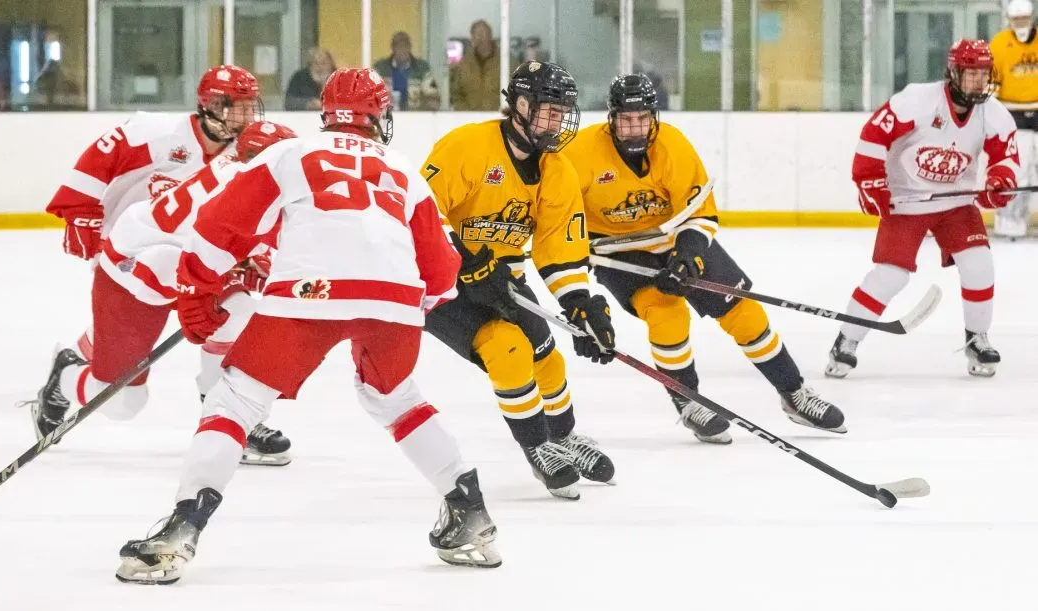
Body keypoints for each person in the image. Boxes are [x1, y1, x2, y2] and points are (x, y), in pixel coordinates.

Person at [115, 68, 500, 585]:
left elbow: (219, 225)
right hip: (395, 297)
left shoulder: (289, 152)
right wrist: (403, 305)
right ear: (379, 118)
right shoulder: (402, 167)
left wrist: (195, 286)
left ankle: (182, 528)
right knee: (397, 398)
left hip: (307, 293)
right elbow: (442, 271)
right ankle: (470, 512)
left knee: (236, 401)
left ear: (327, 114)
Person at [564, 74, 846, 444]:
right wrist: (572, 254)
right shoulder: (579, 154)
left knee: (744, 312)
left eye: (643, 119)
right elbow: (557, 215)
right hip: (617, 252)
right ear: (611, 118)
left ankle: (794, 393)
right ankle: (688, 401)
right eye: (626, 120)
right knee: (668, 316)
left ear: (654, 116)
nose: (634, 128)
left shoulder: (673, 146)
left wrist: (688, 255)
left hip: (675, 239)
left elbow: (700, 213)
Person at [31, 66, 290, 463]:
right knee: (122, 402)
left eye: (249, 110)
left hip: (185, 259)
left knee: (239, 310)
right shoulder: (162, 133)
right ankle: (66, 377)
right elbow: (104, 153)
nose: (245, 119)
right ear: (209, 106)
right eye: (234, 109)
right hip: (134, 266)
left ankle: (227, 418)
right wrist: (80, 209)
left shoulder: (242, 158)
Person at [422, 61, 616, 500]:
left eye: (563, 111)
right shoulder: (467, 146)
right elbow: (420, 212)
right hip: (438, 281)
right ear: (522, 105)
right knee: (508, 349)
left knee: (546, 354)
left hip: (501, 277)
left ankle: (564, 438)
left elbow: (558, 250)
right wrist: (463, 257)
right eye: (549, 110)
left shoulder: (557, 170)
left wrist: (581, 302)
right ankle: (538, 447)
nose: (558, 121)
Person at [827, 40, 1017, 378]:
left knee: (979, 264)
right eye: (971, 73)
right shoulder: (917, 100)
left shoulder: (994, 112)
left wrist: (999, 182)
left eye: (983, 74)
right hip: (906, 200)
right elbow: (873, 136)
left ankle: (977, 338)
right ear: (953, 72)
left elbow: (1006, 157)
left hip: (956, 202)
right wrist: (870, 181)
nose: (978, 81)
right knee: (891, 276)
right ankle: (847, 339)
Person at [990, 0, 1038, 238]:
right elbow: (993, 79)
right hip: (1012, 113)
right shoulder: (1000, 43)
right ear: (1010, 20)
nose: (1021, 24)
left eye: (1025, 19)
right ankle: (1010, 220)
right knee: (1019, 170)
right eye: (1017, 20)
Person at [450, 20, 509, 111]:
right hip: (469, 120)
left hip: (497, 119)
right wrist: (464, 112)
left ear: (490, 36)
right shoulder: (463, 65)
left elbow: (516, 92)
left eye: (484, 34)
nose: (481, 39)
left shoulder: (506, 62)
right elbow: (455, 94)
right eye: (478, 35)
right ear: (472, 38)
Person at [373, 31, 439, 110]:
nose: (403, 50)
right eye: (399, 46)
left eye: (406, 46)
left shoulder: (422, 69)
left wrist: (427, 103)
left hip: (414, 117)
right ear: (393, 48)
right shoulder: (380, 68)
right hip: (386, 117)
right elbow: (369, 95)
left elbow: (433, 97)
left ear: (410, 47)